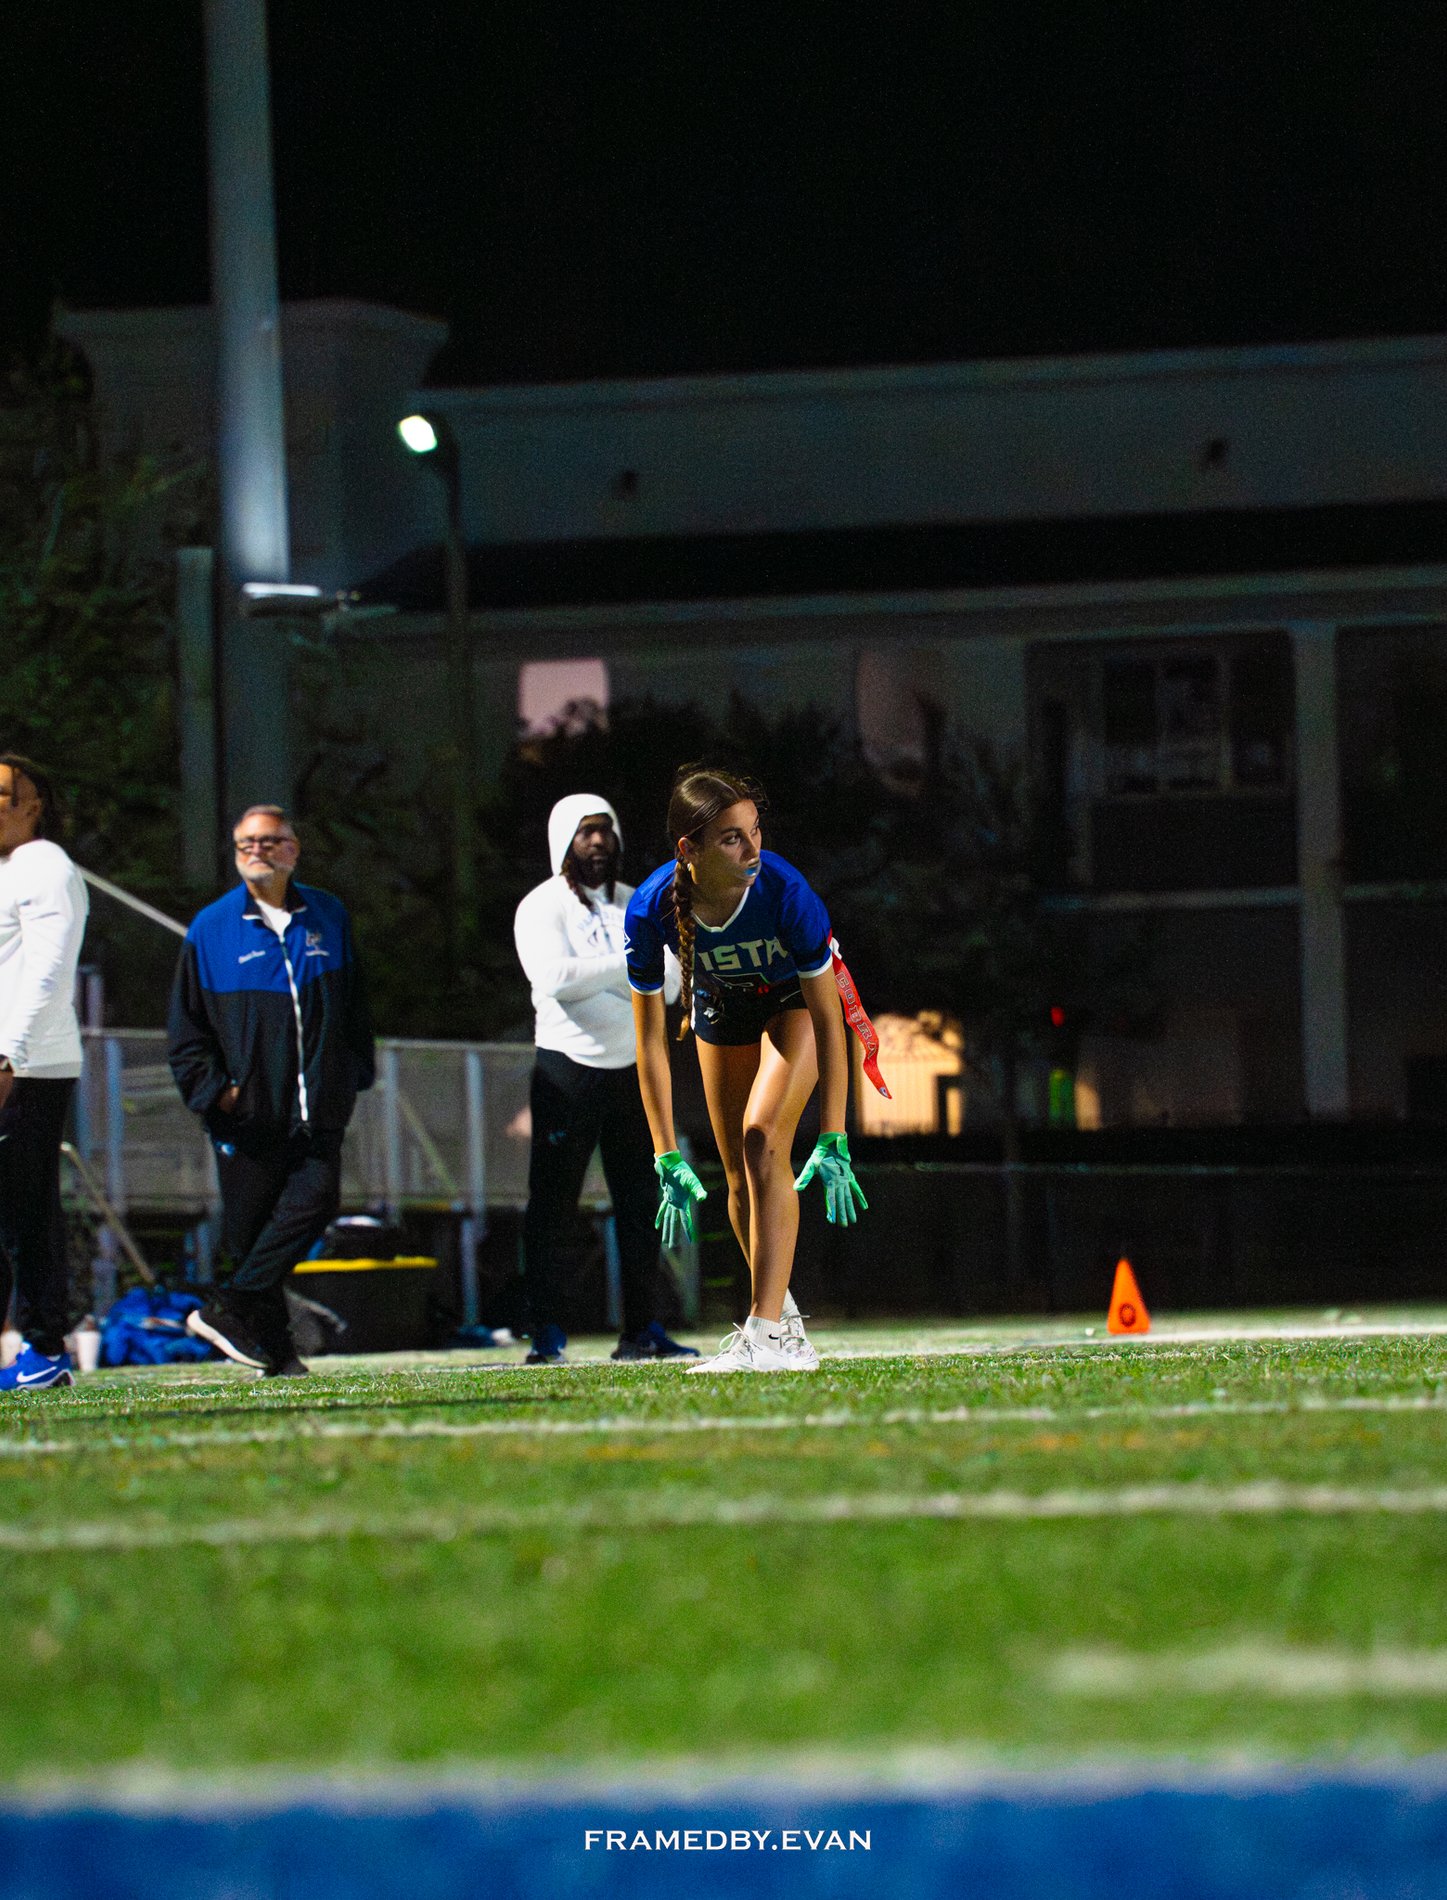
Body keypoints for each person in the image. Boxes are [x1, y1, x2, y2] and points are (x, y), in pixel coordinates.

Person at [625, 766, 870, 1374]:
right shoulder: (649, 909)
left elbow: (830, 1020)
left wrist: (834, 1131)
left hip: (793, 1003)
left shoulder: (786, 892)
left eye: (755, 830)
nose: (753, 848)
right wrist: (664, 1151)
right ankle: (784, 1328)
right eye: (732, 838)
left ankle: (761, 1335)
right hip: (720, 1003)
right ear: (689, 850)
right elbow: (650, 1042)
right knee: (737, 1172)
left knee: (763, 1139)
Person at [167, 804, 374, 1376]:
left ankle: (228, 1306)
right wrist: (217, 1093)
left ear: (293, 849)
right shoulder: (210, 928)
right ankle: (279, 1355)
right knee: (252, 1233)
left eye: (269, 841)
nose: (256, 851)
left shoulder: (328, 914)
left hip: (320, 1106)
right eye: (246, 843)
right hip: (247, 1116)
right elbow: (186, 1029)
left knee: (317, 1201)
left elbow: (355, 1002)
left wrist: (354, 1070)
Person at [513, 794, 697, 1365]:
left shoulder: (639, 902)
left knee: (641, 1204)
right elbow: (553, 978)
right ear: (563, 841)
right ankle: (545, 1334)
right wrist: (629, 968)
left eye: (605, 831)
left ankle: (642, 1332)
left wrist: (606, 978)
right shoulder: (541, 906)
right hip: (567, 1071)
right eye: (585, 832)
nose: (597, 842)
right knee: (553, 1207)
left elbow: (672, 984)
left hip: (635, 1073)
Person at [0, 756, 89, 1393]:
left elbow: (51, 969)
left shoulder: (43, 864)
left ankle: (46, 1347)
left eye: (3, 794)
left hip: (25, 1068)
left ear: (33, 806)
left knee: (24, 1209)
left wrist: (9, 1055)